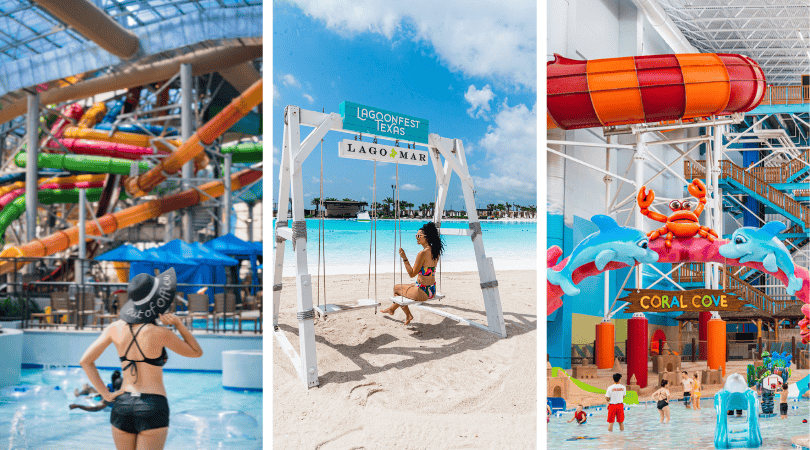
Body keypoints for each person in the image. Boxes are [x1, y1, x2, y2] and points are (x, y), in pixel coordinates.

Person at [79, 268, 203, 450]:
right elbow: (196, 352)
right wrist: (179, 324)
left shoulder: (114, 328)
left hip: (123, 404)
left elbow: (85, 361)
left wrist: (106, 394)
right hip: (152, 405)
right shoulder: (160, 333)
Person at [380, 222, 444, 325]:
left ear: (426, 238)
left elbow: (412, 274)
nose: (416, 237)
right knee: (401, 289)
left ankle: (407, 314)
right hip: (432, 290)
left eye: (419, 236)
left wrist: (404, 257)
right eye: (416, 235)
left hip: (422, 292)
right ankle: (393, 309)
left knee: (396, 289)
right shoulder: (436, 251)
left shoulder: (422, 253)